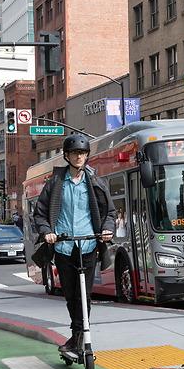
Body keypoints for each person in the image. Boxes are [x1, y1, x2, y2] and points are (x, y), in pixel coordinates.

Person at [33, 133, 117, 356]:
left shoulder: (95, 182)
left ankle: (79, 337)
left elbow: (110, 212)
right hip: (63, 246)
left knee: (84, 295)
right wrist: (48, 232)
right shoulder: (56, 183)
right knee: (71, 295)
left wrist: (107, 230)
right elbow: (39, 214)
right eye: (74, 153)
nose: (78, 156)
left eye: (82, 153)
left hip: (88, 246)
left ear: (87, 155)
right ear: (67, 156)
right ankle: (77, 335)